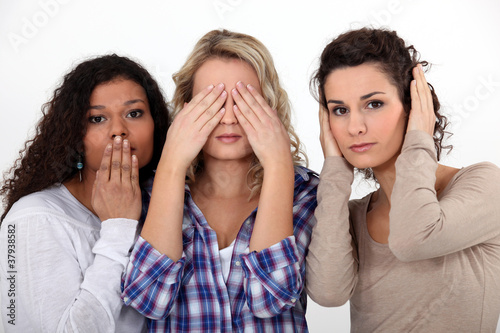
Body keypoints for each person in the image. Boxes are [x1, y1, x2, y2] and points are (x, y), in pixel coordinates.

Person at [120, 29, 318, 332]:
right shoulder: (144, 194)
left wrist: (278, 164)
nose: (228, 118)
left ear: (270, 106)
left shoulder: (307, 195)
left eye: (244, 101)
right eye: (212, 102)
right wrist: (172, 163)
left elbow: (271, 299)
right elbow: (148, 300)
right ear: (186, 108)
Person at [305, 27, 500, 332]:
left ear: (412, 105)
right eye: (339, 110)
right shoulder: (352, 216)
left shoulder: (484, 184)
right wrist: (334, 170)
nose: (355, 127)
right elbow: (329, 294)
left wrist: (420, 137)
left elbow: (412, 239)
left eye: (374, 104)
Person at [0, 54, 170, 332]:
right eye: (98, 118)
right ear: (74, 135)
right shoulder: (34, 218)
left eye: (134, 113)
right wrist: (118, 227)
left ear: (156, 124)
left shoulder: (163, 210)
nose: (118, 130)